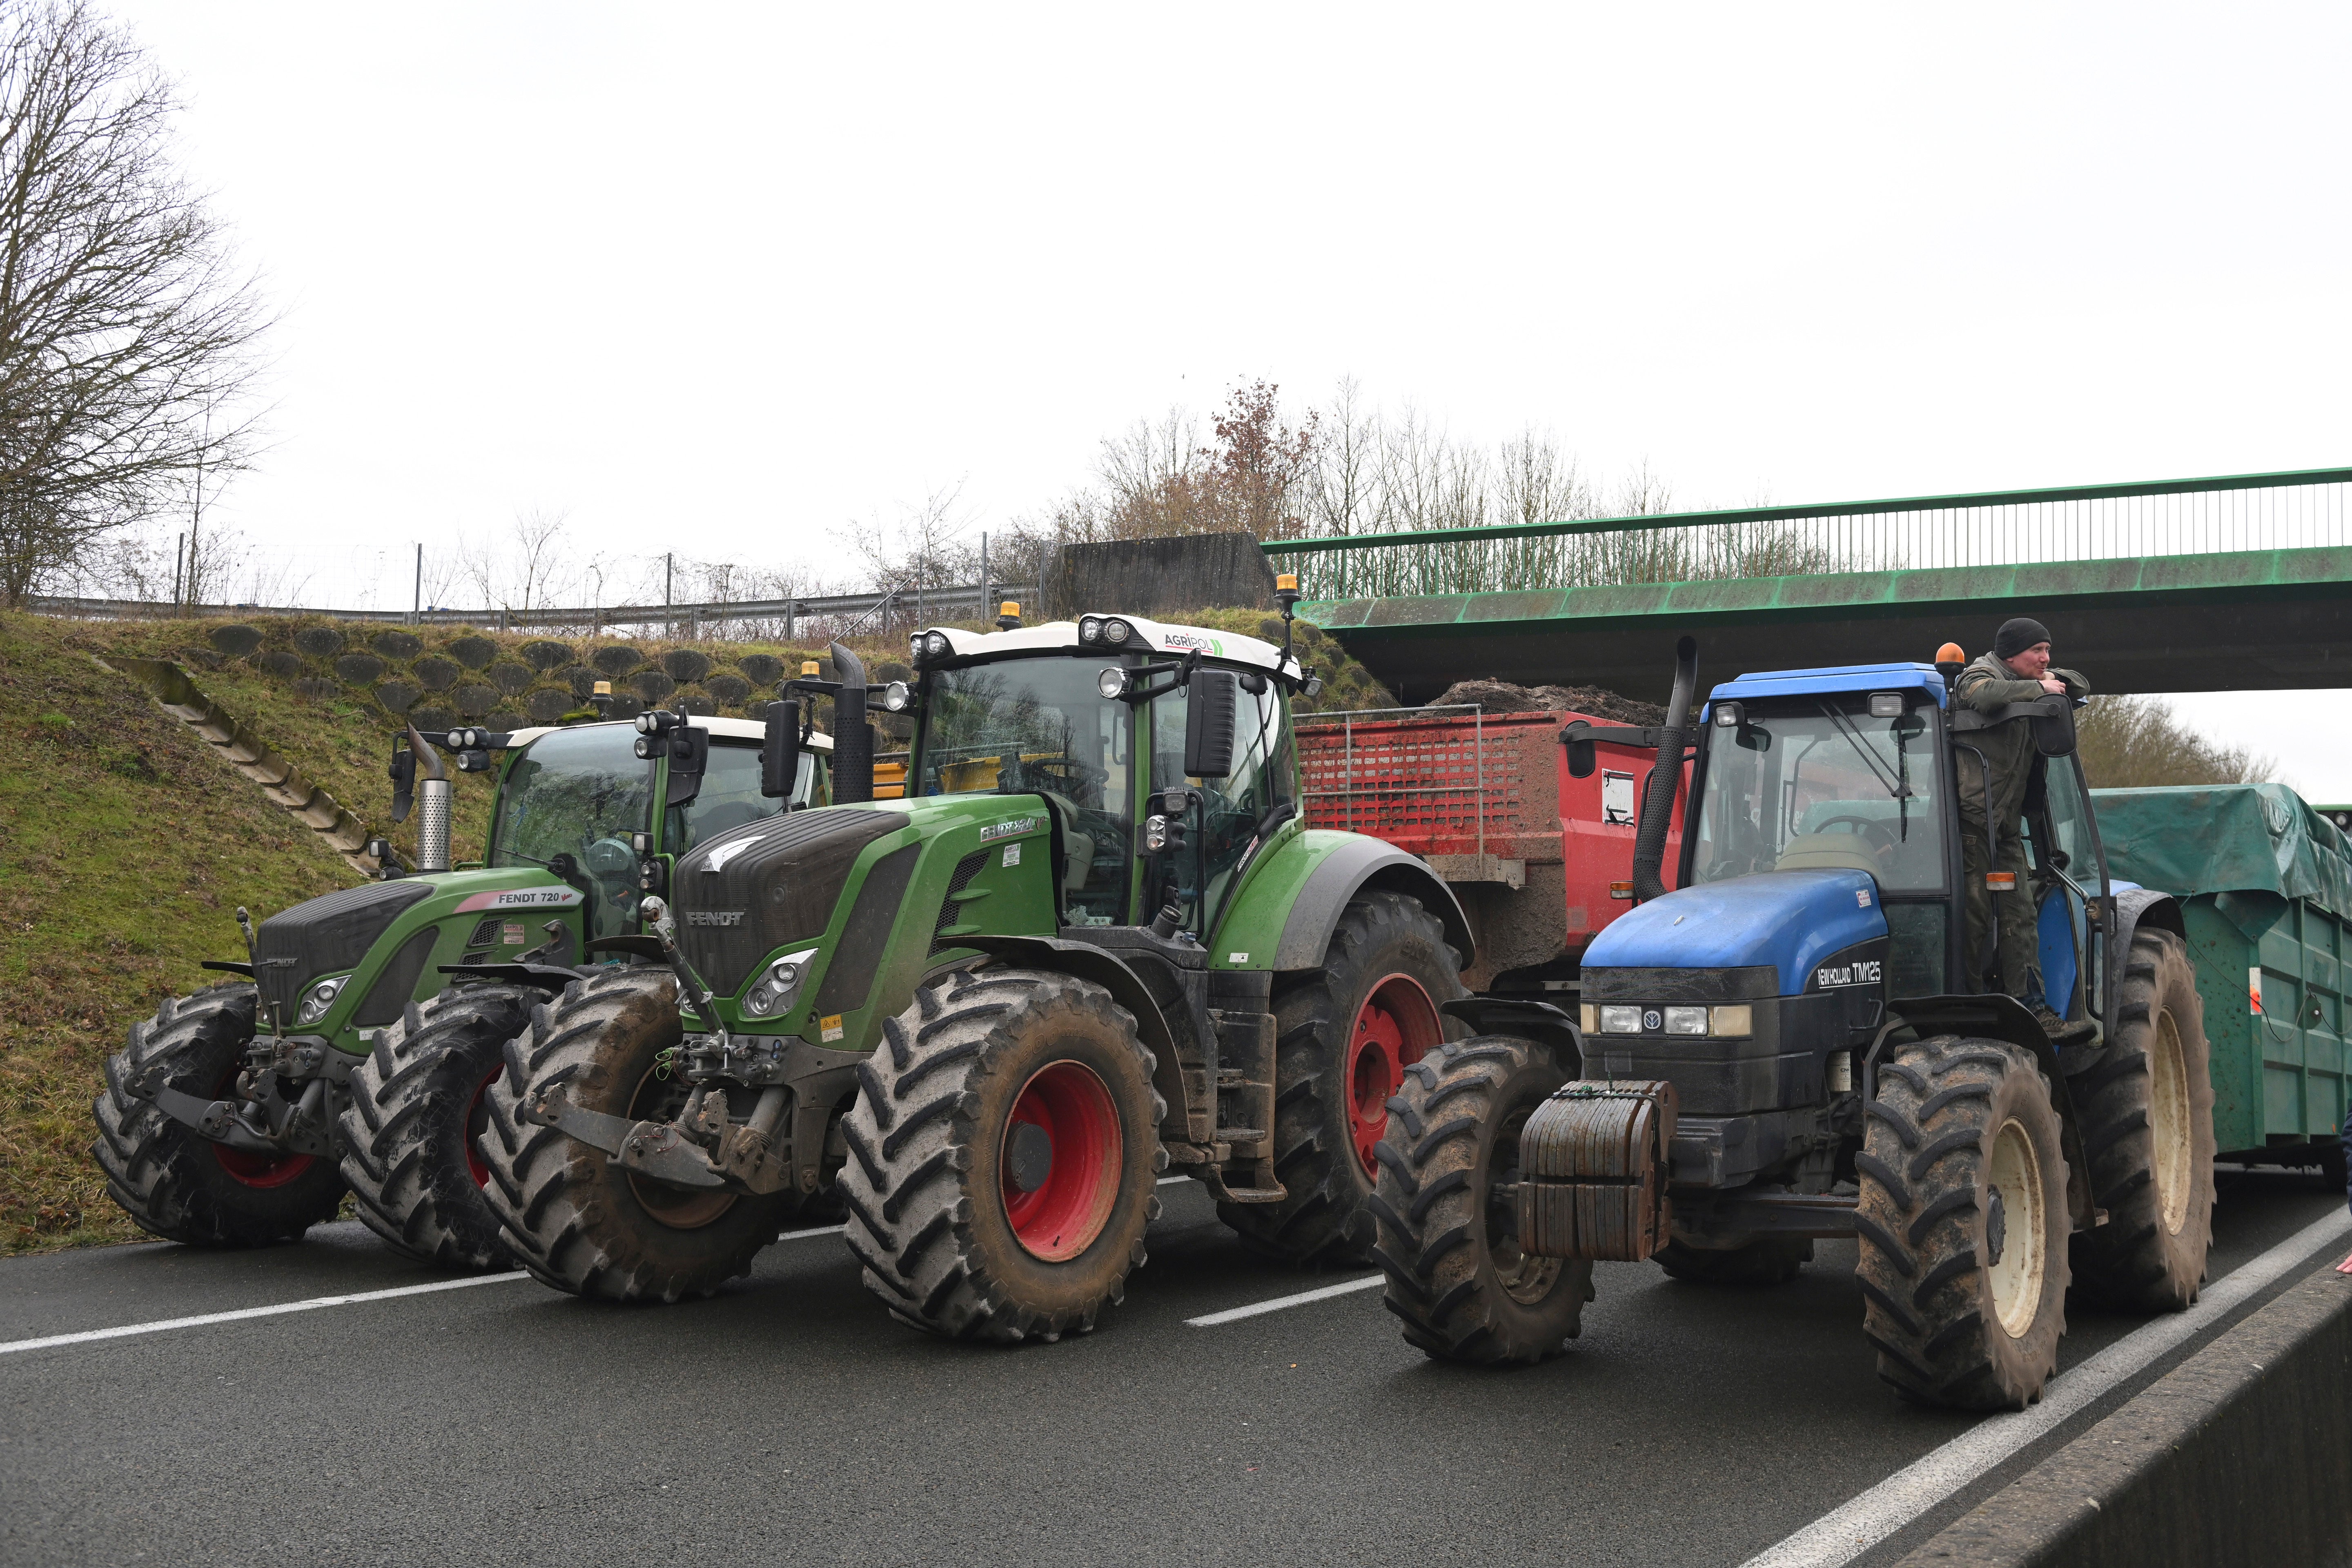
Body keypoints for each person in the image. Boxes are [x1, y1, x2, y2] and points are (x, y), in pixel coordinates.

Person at [1952, 617, 2090, 1031]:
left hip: (2005, 827)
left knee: (2020, 916)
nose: (2046, 658)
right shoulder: (1978, 675)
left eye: (2048, 650)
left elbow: (2079, 685)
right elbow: (1984, 697)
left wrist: (2052, 680)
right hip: (1971, 825)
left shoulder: (2033, 678)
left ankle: (2032, 1010)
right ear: (2011, 654)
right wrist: (2038, 688)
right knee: (1973, 916)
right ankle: (1966, 1008)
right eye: (2038, 651)